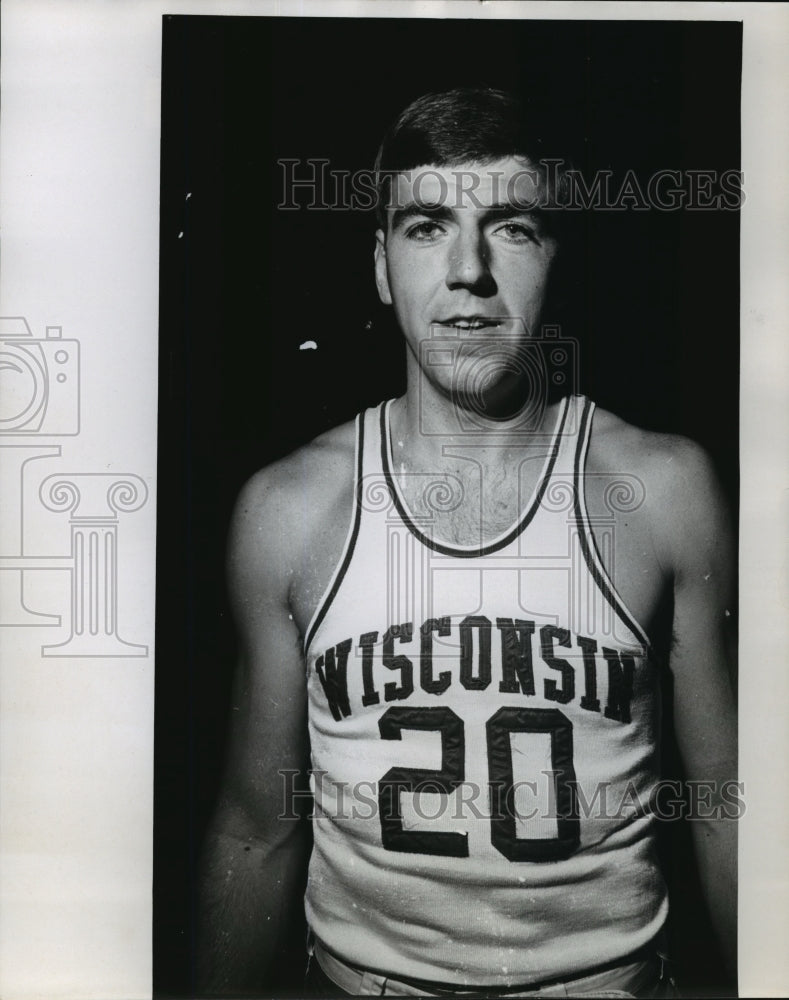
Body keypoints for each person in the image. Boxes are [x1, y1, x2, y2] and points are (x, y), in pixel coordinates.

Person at [198, 88, 737, 998]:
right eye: (425, 226)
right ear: (380, 264)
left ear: (556, 256)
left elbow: (732, 813)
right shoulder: (287, 510)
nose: (468, 270)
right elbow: (257, 828)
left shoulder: (665, 492)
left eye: (513, 227)